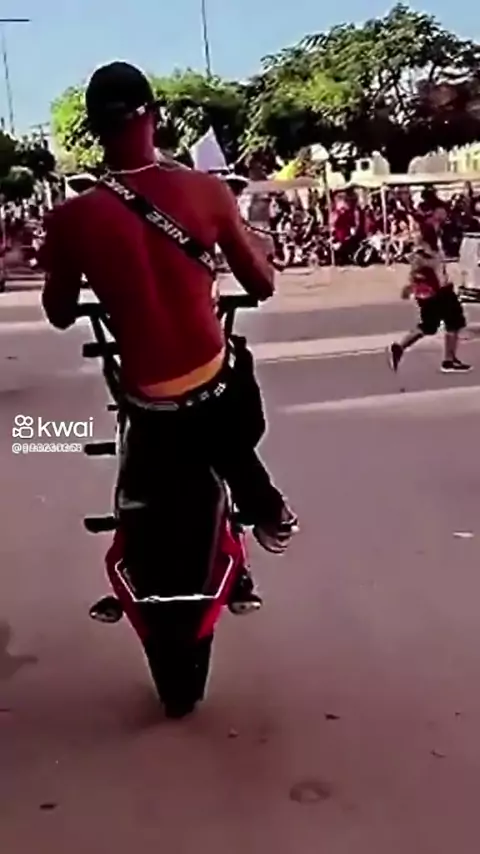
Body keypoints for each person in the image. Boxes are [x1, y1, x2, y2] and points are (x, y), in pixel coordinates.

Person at [40, 62, 298, 615]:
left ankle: (132, 561)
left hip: (147, 400)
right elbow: (262, 284)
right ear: (154, 116)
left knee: (137, 441)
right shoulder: (207, 192)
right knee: (229, 388)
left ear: (93, 129)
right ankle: (265, 509)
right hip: (216, 394)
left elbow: (58, 312)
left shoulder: (71, 218)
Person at [388, 202, 471, 374]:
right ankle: (449, 360)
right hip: (437, 288)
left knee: (429, 325)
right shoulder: (428, 232)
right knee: (454, 321)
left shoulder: (432, 230)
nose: (445, 214)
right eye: (442, 211)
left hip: (428, 289)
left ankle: (400, 346)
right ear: (434, 212)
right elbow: (423, 258)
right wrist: (434, 272)